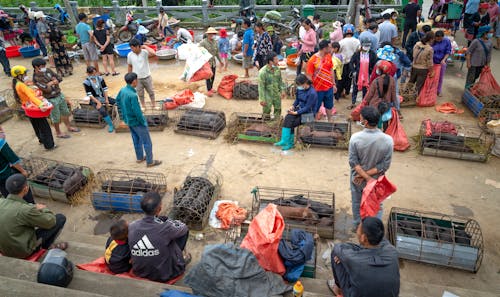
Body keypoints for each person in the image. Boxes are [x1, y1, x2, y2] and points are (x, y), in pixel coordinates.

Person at [327, 217, 400, 297]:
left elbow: (337, 248)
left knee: (336, 255)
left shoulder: (354, 260)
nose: (357, 230)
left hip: (355, 291)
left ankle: (338, 289)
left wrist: (342, 257)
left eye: (358, 228)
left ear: (363, 237)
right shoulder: (392, 251)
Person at [0, 174, 67, 258]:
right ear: (26, 189)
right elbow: (51, 221)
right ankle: (44, 248)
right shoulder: (26, 209)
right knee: (60, 218)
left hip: (4, 250)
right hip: (22, 252)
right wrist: (42, 208)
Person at [348, 107, 393, 230]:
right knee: (376, 203)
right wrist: (369, 178)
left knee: (357, 202)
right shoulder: (388, 140)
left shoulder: (355, 138)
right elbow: (385, 165)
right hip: (377, 180)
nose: (360, 118)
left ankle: (359, 227)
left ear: (365, 122)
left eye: (361, 117)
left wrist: (364, 177)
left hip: (357, 179)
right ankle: (374, 230)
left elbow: (353, 162)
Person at [129, 192, 190, 282]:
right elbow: (184, 228)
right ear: (160, 208)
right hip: (165, 274)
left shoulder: (132, 226)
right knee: (181, 233)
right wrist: (168, 221)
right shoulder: (166, 227)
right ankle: (179, 258)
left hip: (140, 272)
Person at [116, 72, 161, 167]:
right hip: (137, 121)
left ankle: (139, 157)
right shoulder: (132, 95)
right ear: (134, 81)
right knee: (147, 141)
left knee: (136, 139)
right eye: (137, 80)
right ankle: (150, 161)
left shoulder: (123, 90)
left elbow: (118, 100)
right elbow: (137, 112)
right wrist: (143, 122)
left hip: (129, 120)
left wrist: (124, 113)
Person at [32, 58, 80, 139]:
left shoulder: (48, 70)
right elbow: (47, 89)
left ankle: (69, 127)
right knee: (55, 116)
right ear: (36, 67)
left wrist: (51, 83)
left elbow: (59, 78)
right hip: (50, 99)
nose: (44, 67)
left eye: (44, 65)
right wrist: (53, 81)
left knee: (65, 112)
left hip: (59, 94)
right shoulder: (36, 78)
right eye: (41, 66)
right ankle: (58, 132)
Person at [11, 65, 55, 150]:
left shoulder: (17, 84)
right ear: (19, 75)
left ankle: (41, 140)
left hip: (28, 108)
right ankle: (49, 145)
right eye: (24, 74)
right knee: (44, 126)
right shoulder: (21, 85)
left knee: (36, 125)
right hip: (34, 107)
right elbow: (31, 96)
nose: (26, 75)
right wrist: (41, 105)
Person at [274, 74, 317, 151]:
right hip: (299, 109)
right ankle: (285, 141)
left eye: (299, 85)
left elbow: (307, 107)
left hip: (309, 115)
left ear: (305, 83)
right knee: (287, 118)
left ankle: (288, 143)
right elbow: (297, 100)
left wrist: (296, 113)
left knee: (292, 123)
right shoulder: (300, 89)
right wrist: (293, 106)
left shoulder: (312, 93)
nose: (298, 87)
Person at [0, 132, 34, 203]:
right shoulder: (0, 142)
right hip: (7, 173)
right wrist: (22, 171)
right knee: (20, 188)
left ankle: (13, 205)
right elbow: (12, 159)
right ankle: (30, 206)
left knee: (6, 192)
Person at [306, 40, 336, 121]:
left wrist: (334, 84)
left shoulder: (328, 56)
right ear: (324, 48)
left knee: (329, 106)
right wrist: (311, 90)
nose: (331, 49)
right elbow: (309, 76)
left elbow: (331, 70)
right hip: (317, 89)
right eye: (329, 47)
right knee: (315, 107)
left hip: (329, 87)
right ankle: (314, 123)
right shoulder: (313, 60)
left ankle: (330, 121)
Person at [363, 61, 397, 130]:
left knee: (374, 121)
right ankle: (385, 132)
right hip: (386, 105)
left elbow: (370, 94)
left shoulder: (376, 81)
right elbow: (393, 95)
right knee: (385, 120)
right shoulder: (392, 80)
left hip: (375, 105)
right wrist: (395, 105)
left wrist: (365, 102)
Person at [83, 66, 115, 133]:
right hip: (94, 99)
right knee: (102, 110)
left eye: (95, 73)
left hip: (103, 96)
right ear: (88, 74)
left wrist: (106, 99)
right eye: (92, 74)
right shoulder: (86, 82)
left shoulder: (100, 78)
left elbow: (105, 89)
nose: (94, 75)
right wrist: (98, 102)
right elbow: (89, 95)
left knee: (117, 102)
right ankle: (111, 125)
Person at [350, 38, 378, 109]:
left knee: (365, 89)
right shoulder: (357, 54)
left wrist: (372, 73)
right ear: (361, 46)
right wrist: (353, 71)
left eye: (368, 46)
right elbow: (351, 62)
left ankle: (364, 103)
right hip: (358, 74)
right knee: (355, 89)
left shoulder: (372, 54)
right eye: (365, 46)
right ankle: (353, 102)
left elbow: (375, 65)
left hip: (367, 75)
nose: (366, 48)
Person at [127, 38, 156, 107]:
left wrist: (145, 46)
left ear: (138, 46)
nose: (131, 49)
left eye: (133, 48)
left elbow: (153, 53)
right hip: (137, 79)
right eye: (131, 48)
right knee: (140, 94)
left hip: (147, 76)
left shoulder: (145, 52)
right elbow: (130, 66)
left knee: (151, 92)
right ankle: (143, 106)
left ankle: (154, 105)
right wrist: (129, 78)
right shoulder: (130, 55)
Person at [258, 52, 285, 120]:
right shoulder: (262, 72)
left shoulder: (277, 69)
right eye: (275, 59)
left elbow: (280, 81)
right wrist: (262, 99)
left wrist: (282, 90)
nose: (277, 61)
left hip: (276, 94)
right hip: (267, 96)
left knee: (278, 110)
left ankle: (276, 124)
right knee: (266, 112)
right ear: (270, 61)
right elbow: (261, 87)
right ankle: (265, 125)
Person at [337, 24, 360, 100]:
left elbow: (338, 51)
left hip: (343, 63)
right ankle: (347, 92)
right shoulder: (357, 41)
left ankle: (340, 92)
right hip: (352, 63)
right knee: (349, 79)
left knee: (341, 78)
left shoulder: (341, 42)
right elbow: (358, 51)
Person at [199, 27, 221, 97]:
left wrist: (220, 61)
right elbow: (198, 50)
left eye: (213, 34)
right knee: (208, 76)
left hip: (213, 62)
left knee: (213, 76)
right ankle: (209, 90)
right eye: (210, 34)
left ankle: (211, 88)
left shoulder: (215, 42)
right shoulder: (203, 42)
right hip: (206, 63)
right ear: (208, 34)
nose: (212, 35)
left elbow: (217, 52)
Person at [432, 30, 452, 96]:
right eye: (437, 39)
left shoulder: (447, 41)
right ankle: (431, 90)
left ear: (443, 37)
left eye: (440, 39)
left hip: (441, 62)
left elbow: (448, 51)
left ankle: (438, 90)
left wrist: (443, 60)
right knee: (431, 76)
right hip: (432, 62)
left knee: (440, 77)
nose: (438, 40)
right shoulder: (433, 41)